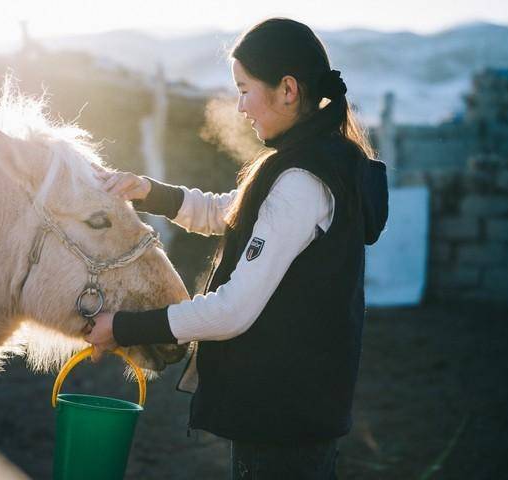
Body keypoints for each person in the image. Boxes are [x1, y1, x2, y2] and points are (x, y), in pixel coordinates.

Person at [85, 18, 388, 479]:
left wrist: (123, 327)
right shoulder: (319, 157)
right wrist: (147, 190)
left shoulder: (302, 180)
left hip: (282, 420)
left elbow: (230, 312)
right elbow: (229, 213)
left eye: (245, 89)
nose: (240, 106)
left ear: (287, 89)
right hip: (296, 409)